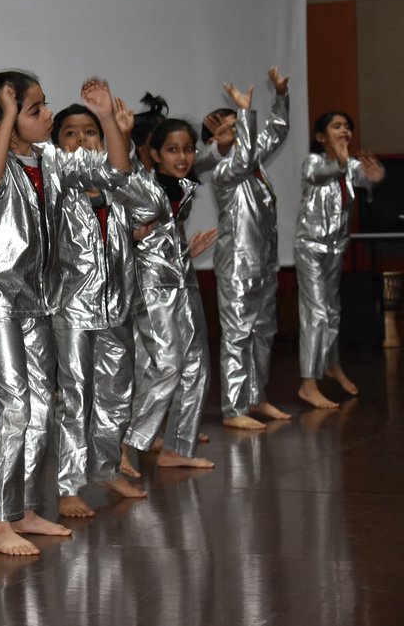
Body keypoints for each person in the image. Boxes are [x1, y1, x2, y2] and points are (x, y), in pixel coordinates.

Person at [0, 73, 132, 556]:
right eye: (36, 109)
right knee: (14, 408)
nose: (49, 114)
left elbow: (116, 172)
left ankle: (24, 509)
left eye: (44, 105)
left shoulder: (51, 159)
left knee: (42, 407)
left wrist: (107, 117)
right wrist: (7, 116)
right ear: (5, 119)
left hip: (37, 302)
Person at [48, 101, 150, 518]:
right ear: (56, 144)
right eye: (70, 133)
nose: (81, 140)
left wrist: (121, 138)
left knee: (116, 393)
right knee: (75, 396)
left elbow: (151, 206)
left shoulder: (118, 187)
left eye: (90, 132)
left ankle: (106, 469)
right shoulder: (56, 186)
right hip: (72, 307)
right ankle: (69, 485)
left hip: (117, 307)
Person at [124, 118, 217, 471]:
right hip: (151, 285)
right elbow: (127, 232)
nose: (183, 157)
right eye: (173, 150)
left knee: (197, 365)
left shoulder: (184, 188)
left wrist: (186, 253)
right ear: (155, 154)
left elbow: (164, 237)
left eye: (188, 149)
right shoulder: (142, 186)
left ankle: (177, 447)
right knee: (166, 364)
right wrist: (121, 133)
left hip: (183, 278)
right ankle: (125, 443)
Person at [203, 69, 293, 429]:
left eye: (237, 126)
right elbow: (241, 157)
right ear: (215, 142)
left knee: (264, 332)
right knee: (238, 335)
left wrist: (281, 96)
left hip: (264, 264)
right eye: (228, 129)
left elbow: (278, 131)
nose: (237, 132)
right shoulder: (225, 172)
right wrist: (244, 112)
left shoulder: (255, 166)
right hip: (237, 266)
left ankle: (257, 397)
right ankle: (234, 409)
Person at [295, 111, 385, 408]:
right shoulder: (314, 162)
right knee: (317, 313)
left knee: (332, 311)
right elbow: (320, 175)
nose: (345, 130)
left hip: (336, 248)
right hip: (310, 247)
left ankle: (332, 365)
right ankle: (308, 383)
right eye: (337, 126)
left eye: (347, 126)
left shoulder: (352, 166)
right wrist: (343, 164)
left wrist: (375, 177)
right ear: (321, 136)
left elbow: (369, 178)